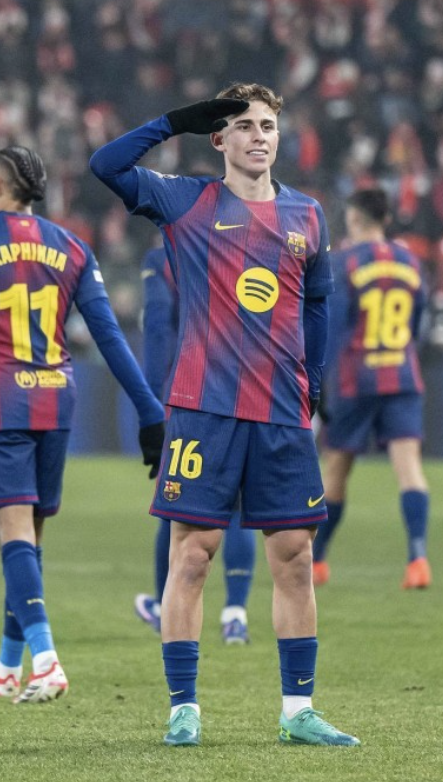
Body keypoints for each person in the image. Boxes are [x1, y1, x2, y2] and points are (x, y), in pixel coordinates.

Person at [91, 83, 358, 747]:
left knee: (294, 558)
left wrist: (314, 382)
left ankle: (298, 710)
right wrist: (174, 121)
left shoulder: (307, 214)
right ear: (220, 139)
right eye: (243, 125)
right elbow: (106, 165)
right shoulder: (187, 201)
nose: (258, 136)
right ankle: (183, 708)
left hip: (281, 413)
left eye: (267, 125)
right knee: (192, 557)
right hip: (203, 409)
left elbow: (318, 304)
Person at [0, 145, 165, 705]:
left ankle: (46, 662)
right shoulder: (72, 246)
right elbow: (108, 335)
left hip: (1, 400)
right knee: (26, 536)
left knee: (13, 532)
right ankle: (7, 666)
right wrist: (149, 410)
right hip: (55, 397)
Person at [134, 244, 257, 645]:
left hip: (189, 393)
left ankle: (163, 607)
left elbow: (158, 328)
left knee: (174, 503)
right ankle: (235, 614)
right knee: (237, 504)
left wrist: (152, 403)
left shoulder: (165, 256)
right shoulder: (246, 247)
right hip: (245, 388)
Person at [315, 188, 432, 590]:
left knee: (336, 469)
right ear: (386, 219)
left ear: (353, 218)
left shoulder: (344, 262)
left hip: (357, 378)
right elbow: (417, 324)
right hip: (402, 374)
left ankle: (318, 560)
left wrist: (319, 382)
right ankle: (418, 558)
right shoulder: (411, 262)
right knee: (409, 468)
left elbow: (332, 328)